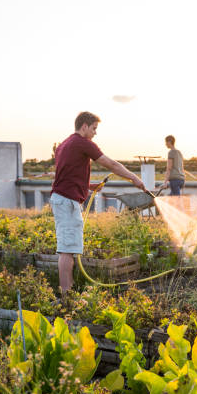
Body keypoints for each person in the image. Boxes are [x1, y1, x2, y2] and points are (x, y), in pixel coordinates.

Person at [50, 111, 146, 292]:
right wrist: (134, 178)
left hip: (63, 200)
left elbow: (67, 174)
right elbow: (112, 164)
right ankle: (66, 295)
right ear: (84, 126)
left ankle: (68, 290)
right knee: (66, 249)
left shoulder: (65, 144)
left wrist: (89, 185)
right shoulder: (83, 143)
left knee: (68, 248)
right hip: (66, 202)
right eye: (94, 128)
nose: (95, 133)